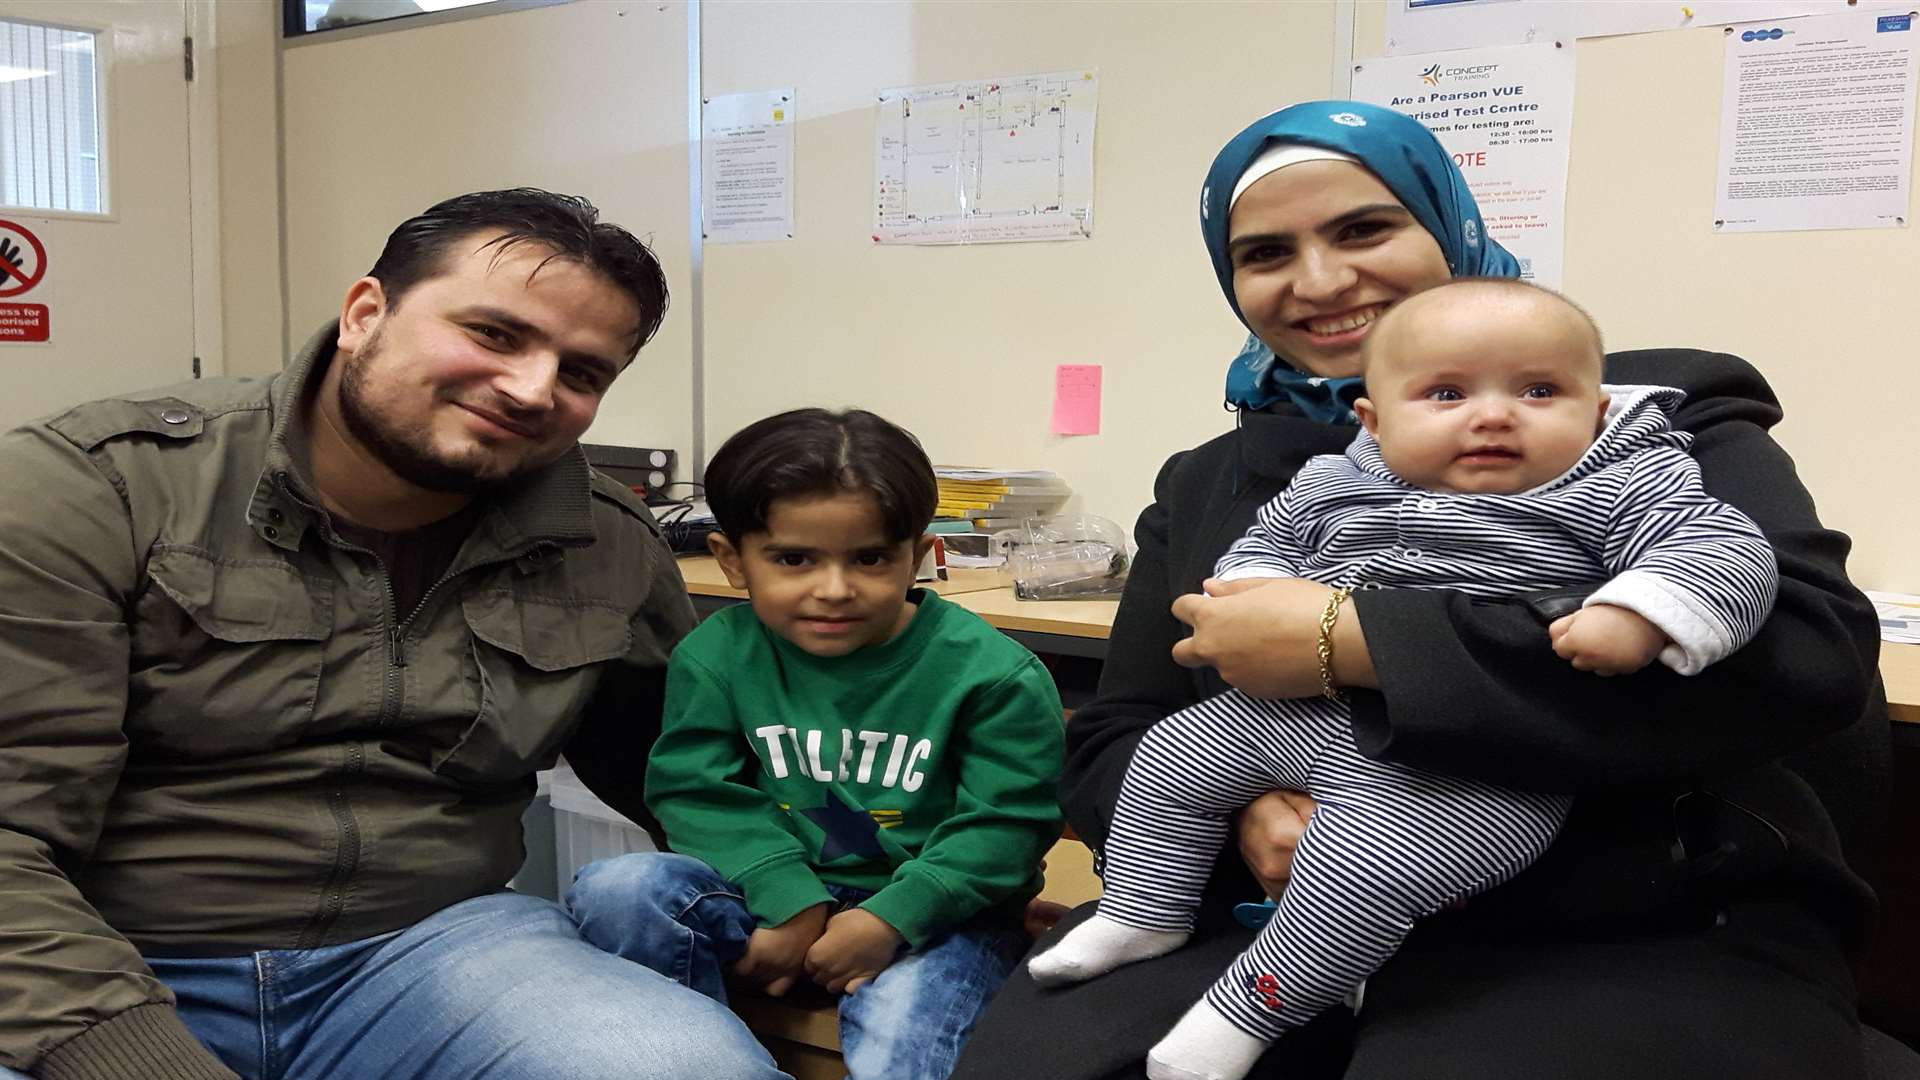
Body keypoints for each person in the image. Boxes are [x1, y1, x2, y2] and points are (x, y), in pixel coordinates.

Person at [953, 102, 1886, 1080]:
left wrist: (1345, 639)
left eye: (1364, 229)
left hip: (1622, 915)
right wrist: (1246, 822)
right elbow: (1119, 728)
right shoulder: (1210, 478)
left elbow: (1811, 658)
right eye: (1266, 252)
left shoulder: (1640, 416)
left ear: (1445, 227)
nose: (1319, 280)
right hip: (1255, 893)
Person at [0, 189, 789, 1080]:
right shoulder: (94, 488)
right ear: (364, 313)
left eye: (581, 373)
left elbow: (683, 775)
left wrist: (856, 893)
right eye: (495, 334)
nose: (533, 389)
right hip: (100, 956)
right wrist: (132, 1058)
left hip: (437, 950)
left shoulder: (604, 540)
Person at [1027, 276, 1779, 1080]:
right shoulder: (1332, 482)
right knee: (1175, 755)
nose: (1494, 414)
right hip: (1295, 718)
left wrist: (1643, 611)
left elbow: (1722, 551)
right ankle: (1148, 911)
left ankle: (1245, 1010)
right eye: (1446, 393)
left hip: (1460, 762)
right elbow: (1267, 547)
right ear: (1376, 422)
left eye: (1539, 391)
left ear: (1596, 414)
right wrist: (1244, 596)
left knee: (1363, 865)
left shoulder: (1623, 480)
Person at [565, 407, 1066, 1080]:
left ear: (918, 557)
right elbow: (694, 791)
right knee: (618, 888)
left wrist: (886, 920)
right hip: (764, 903)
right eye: (793, 559)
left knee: (906, 1041)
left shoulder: (992, 674)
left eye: (870, 558)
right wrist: (794, 903)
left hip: (930, 922)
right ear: (733, 562)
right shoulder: (716, 654)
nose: (833, 590)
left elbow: (1006, 827)